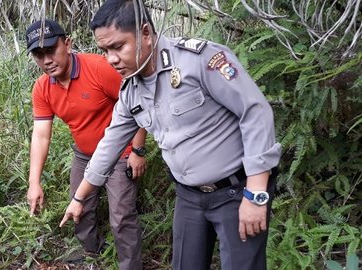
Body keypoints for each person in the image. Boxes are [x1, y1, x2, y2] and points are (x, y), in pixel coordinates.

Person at [59, 1, 282, 269]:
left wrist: (256, 194)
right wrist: (79, 198)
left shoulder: (199, 61)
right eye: (104, 50)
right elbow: (109, 146)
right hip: (189, 196)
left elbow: (255, 112)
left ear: (145, 33)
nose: (111, 59)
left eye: (118, 47)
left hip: (237, 191)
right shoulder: (131, 90)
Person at [25, 19, 147, 270]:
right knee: (78, 207)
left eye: (51, 50)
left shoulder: (99, 69)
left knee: (122, 217)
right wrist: (34, 181)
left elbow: (138, 102)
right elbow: (41, 135)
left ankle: (130, 266)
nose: (46, 60)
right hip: (84, 154)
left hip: (120, 152)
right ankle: (93, 254)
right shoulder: (42, 88)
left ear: (67, 44)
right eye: (39, 54)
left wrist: (137, 149)